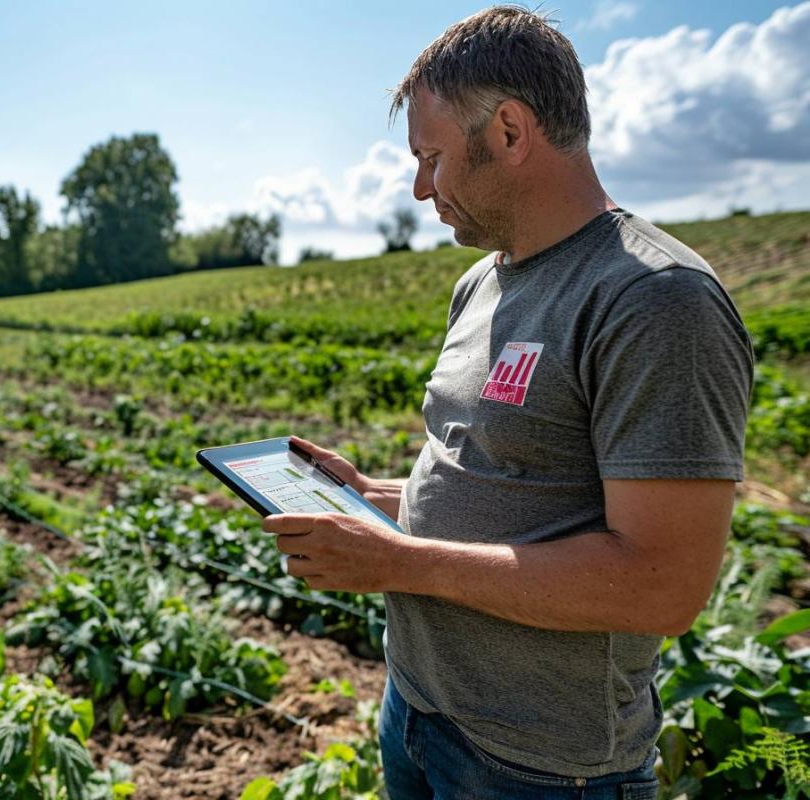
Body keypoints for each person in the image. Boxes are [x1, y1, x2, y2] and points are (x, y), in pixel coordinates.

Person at [260, 6, 753, 799]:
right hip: (418, 711)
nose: (420, 188)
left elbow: (663, 583)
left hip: (541, 767)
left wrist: (397, 561)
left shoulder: (655, 300)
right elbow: (507, 478)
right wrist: (375, 497)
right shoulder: (482, 283)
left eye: (432, 158)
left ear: (512, 132)